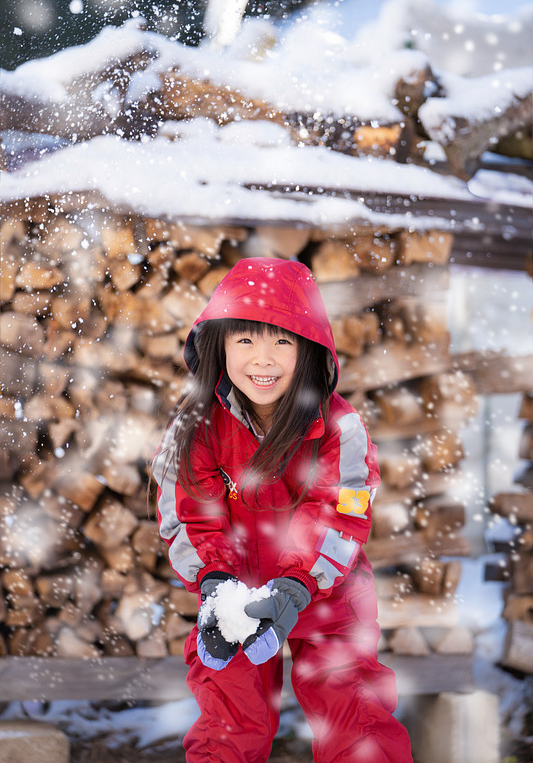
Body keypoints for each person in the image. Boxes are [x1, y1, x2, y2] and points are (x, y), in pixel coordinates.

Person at [152, 257, 413, 763]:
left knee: (353, 714)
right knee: (229, 718)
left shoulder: (341, 428)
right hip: (238, 587)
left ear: (309, 350)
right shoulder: (197, 425)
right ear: (219, 346)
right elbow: (189, 511)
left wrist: (297, 584)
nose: (262, 359)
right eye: (245, 340)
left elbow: (340, 512)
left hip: (324, 588)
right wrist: (215, 581)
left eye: (282, 341)